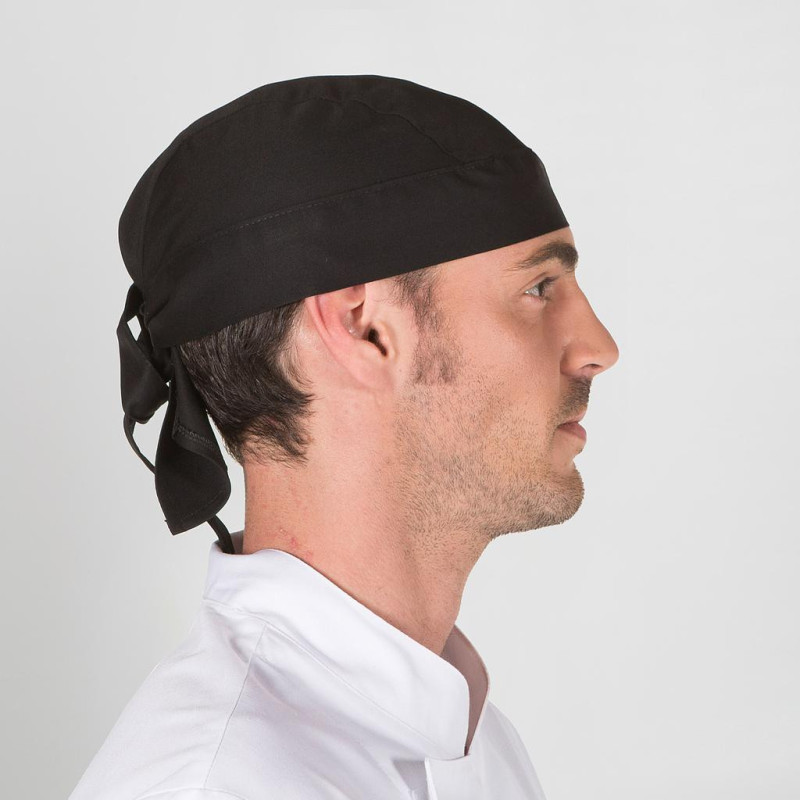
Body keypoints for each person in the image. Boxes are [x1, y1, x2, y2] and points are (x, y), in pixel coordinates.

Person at [69, 74, 619, 800]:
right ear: (366, 329)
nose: (598, 348)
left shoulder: (477, 742)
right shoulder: (214, 784)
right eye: (539, 289)